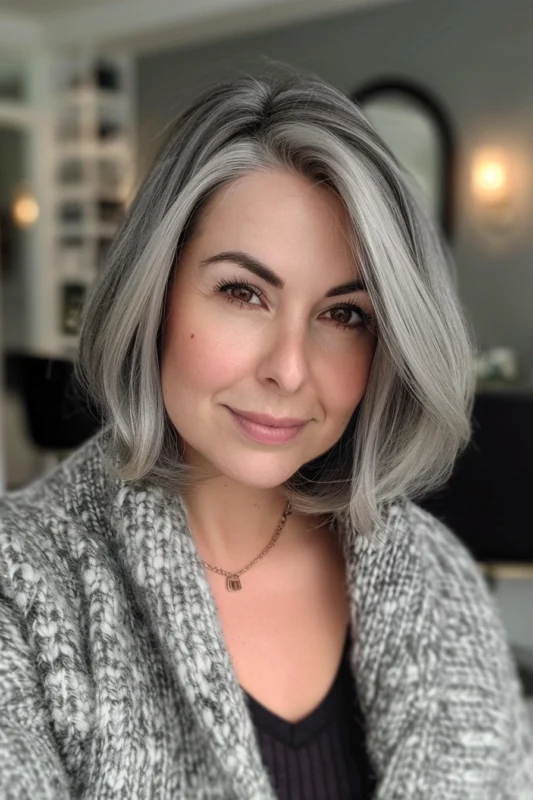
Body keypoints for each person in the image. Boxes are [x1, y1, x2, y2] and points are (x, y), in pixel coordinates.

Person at [0, 67, 532, 800]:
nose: (288, 369)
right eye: (243, 293)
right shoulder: (24, 589)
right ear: (154, 294)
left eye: (345, 315)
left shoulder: (438, 578)